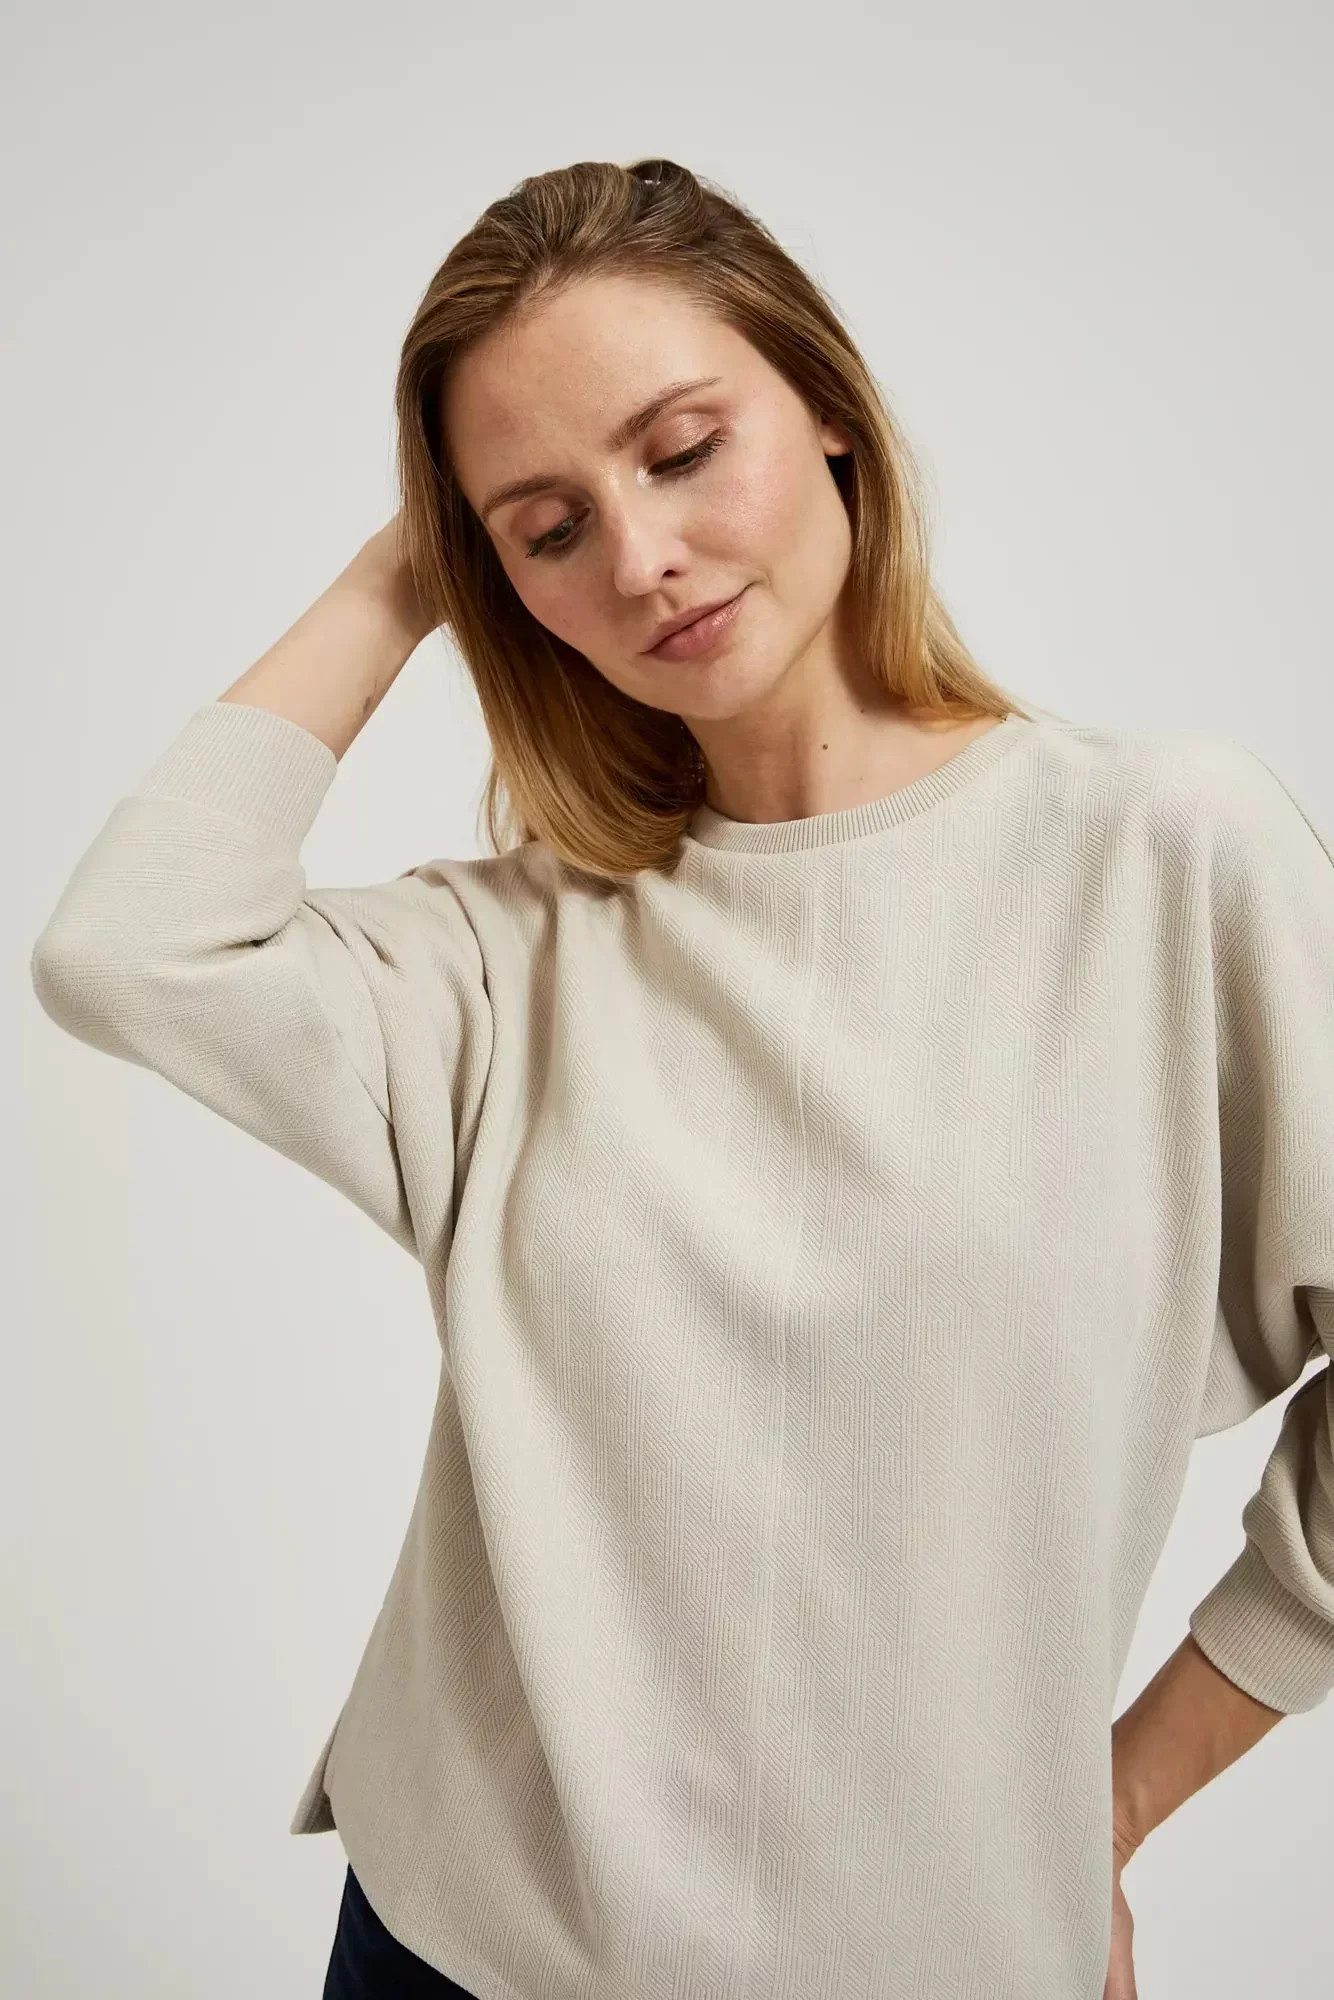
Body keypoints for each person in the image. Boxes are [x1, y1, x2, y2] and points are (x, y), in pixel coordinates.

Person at [28, 156, 1334, 2000]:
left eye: (681, 448)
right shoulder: (503, 960)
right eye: (546, 528)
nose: (637, 557)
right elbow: (125, 946)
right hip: (461, 1950)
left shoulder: (1166, 859)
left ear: (828, 410)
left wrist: (1117, 1798)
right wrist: (402, 569)